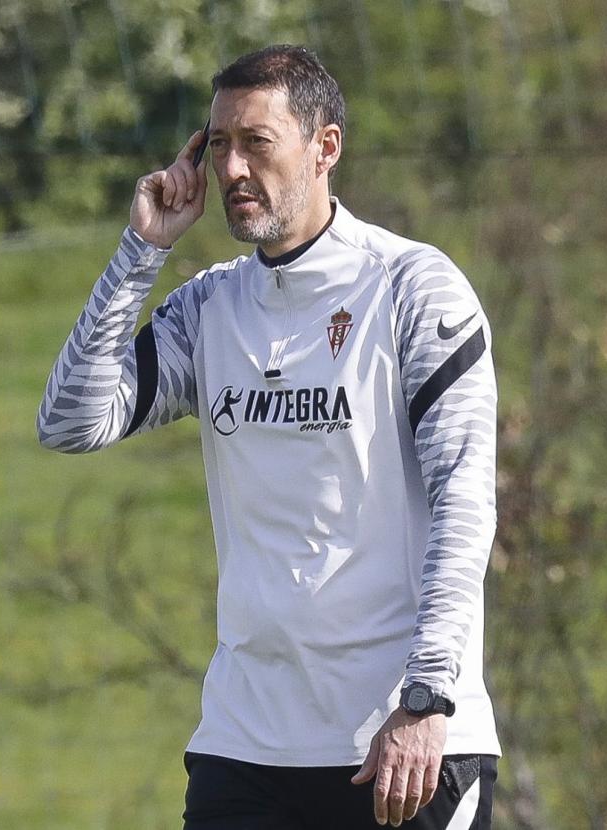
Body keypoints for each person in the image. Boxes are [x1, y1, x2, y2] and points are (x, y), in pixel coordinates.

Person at [36, 45, 500, 829]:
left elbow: (464, 500)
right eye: (219, 145)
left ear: (325, 148)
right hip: (245, 747)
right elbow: (71, 421)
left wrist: (427, 697)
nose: (233, 170)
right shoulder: (210, 308)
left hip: (400, 746)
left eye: (258, 142)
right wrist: (141, 249)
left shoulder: (413, 289)